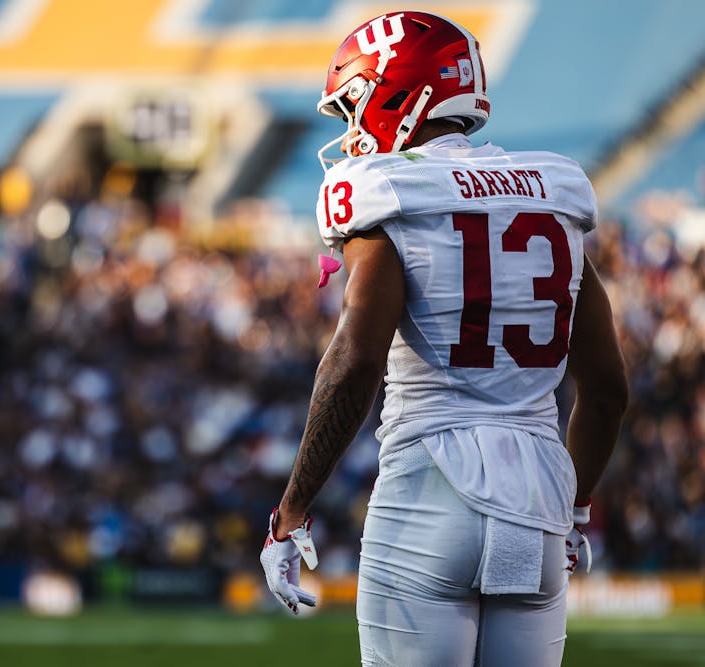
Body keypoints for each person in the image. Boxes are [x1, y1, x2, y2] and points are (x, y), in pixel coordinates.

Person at [259, 11, 628, 666]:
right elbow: (605, 391)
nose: (352, 127)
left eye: (357, 103)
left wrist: (292, 508)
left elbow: (354, 362)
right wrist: (574, 510)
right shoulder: (552, 193)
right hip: (538, 502)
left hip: (430, 491)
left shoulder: (388, 190)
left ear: (400, 93)